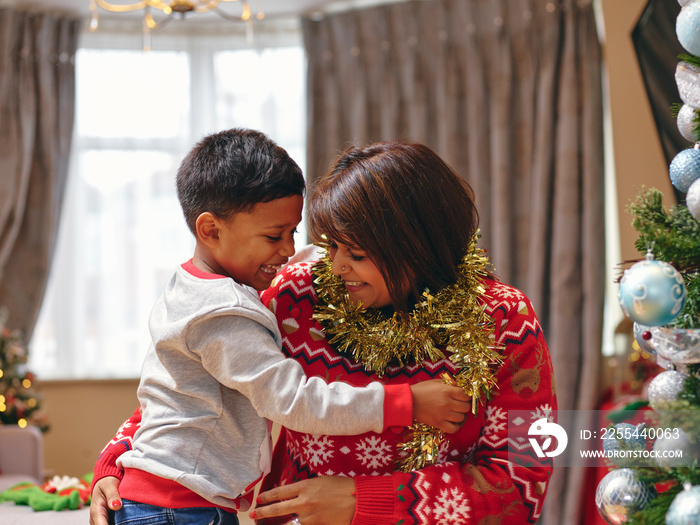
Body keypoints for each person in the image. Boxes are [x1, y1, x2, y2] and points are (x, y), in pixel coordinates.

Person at [91, 139, 557, 525]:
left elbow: (523, 481)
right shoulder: (299, 295)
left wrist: (364, 500)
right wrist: (119, 463)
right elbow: (200, 376)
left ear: (416, 245)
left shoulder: (503, 320)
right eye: (331, 244)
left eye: (355, 251)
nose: (335, 266)